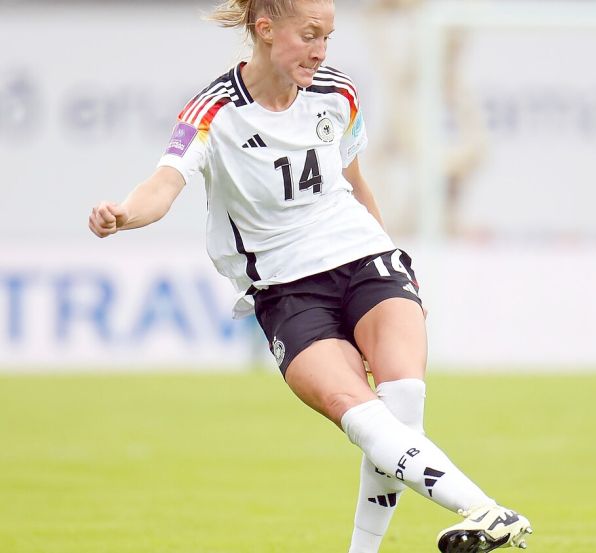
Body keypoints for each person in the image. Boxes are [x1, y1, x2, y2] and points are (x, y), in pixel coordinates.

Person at [86, 1, 532, 552]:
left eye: (329, 36)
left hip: (367, 260)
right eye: (310, 34)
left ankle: (452, 523)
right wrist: (123, 215)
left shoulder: (337, 92)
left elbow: (355, 183)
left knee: (403, 404)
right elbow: (163, 184)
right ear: (266, 30)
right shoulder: (213, 110)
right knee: (361, 413)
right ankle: (484, 508)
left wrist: (397, 267)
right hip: (287, 289)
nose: (321, 49)